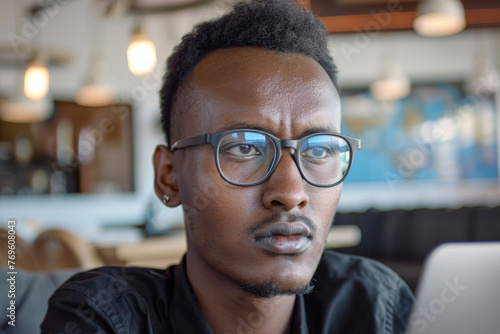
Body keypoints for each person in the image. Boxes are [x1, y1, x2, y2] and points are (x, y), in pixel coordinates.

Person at [41, 0, 414, 333]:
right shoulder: (103, 316)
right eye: (246, 148)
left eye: (318, 151)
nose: (291, 192)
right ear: (169, 177)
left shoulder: (374, 304)